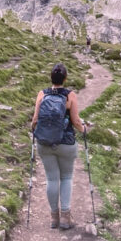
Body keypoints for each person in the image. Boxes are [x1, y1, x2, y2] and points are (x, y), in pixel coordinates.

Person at [31, 63, 89, 230]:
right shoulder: (70, 95)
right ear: (65, 78)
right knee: (66, 177)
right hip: (66, 143)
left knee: (51, 178)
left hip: (45, 143)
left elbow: (35, 120)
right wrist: (84, 130)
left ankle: (54, 218)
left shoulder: (42, 94)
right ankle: (65, 217)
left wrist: (34, 131)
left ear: (51, 78)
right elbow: (76, 121)